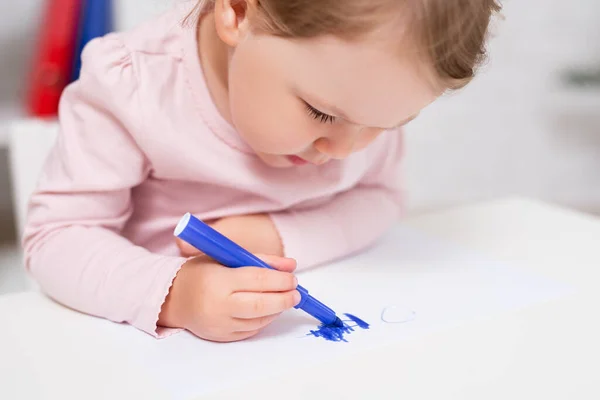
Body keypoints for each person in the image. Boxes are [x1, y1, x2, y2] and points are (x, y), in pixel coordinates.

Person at [23, 0, 501, 342]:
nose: (343, 149)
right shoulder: (134, 86)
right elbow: (57, 239)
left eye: (388, 124)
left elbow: (382, 195)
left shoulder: (362, 95)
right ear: (238, 11)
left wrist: (278, 236)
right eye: (320, 113)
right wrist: (176, 294)